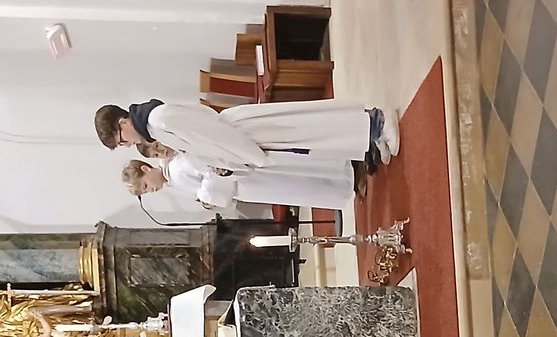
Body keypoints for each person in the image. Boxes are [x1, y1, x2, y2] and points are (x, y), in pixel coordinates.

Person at [94, 98, 399, 170]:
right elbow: (202, 146)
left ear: (122, 123)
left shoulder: (160, 119)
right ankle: (370, 134)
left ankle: (377, 123)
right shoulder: (155, 125)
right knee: (311, 137)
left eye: (122, 140)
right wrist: (220, 164)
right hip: (246, 135)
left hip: (246, 132)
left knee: (312, 129)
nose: (128, 144)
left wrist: (250, 157)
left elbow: (213, 132)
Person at [122, 150, 357, 212]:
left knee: (294, 177)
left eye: (145, 185)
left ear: (146, 168)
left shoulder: (178, 165)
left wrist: (207, 198)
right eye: (144, 191)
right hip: (245, 189)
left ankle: (345, 172)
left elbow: (212, 169)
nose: (150, 190)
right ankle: (343, 187)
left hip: (246, 177)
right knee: (295, 190)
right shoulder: (173, 181)